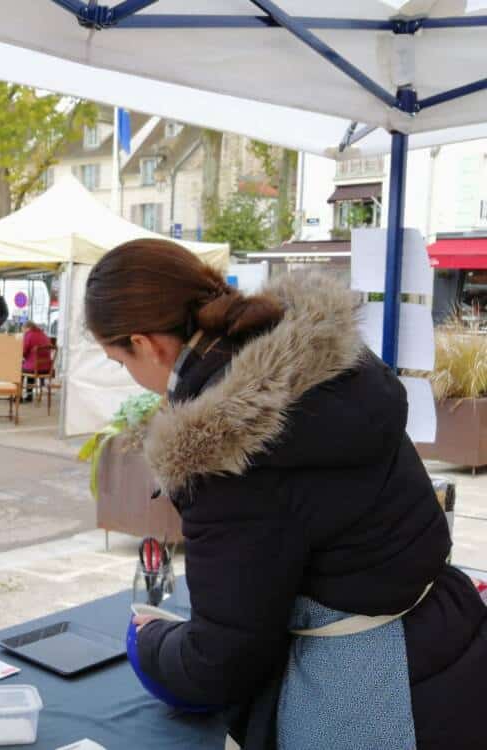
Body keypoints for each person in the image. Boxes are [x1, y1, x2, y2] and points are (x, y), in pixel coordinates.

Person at [85, 238, 487, 749]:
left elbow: (221, 660)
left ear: (144, 343)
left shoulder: (223, 451)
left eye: (119, 359)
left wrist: (149, 645)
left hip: (364, 688)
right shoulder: (330, 360)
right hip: (449, 634)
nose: (132, 375)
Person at [20, 320, 53, 403]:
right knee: (29, 365)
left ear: (27, 328)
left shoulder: (29, 335)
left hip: (34, 367)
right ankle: (29, 395)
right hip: (47, 368)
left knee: (18, 369)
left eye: (23, 330)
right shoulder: (44, 335)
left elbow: (23, 352)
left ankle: (18, 396)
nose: (23, 332)